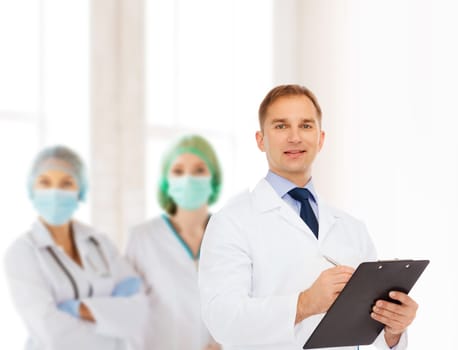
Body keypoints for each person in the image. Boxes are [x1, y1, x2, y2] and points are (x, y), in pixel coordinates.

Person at [198, 85, 418, 350]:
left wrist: (393, 330)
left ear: (321, 138)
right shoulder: (231, 222)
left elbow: (366, 336)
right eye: (280, 126)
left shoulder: (352, 228)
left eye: (305, 126)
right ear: (260, 139)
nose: (294, 137)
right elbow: (223, 321)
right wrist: (304, 304)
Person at [4, 145, 148, 350]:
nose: (55, 192)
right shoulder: (22, 252)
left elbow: (138, 312)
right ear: (32, 189)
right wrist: (112, 324)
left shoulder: (100, 243)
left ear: (80, 190)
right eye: (45, 183)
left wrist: (77, 309)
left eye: (66, 183)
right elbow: (52, 335)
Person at [126, 135, 222, 350]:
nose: (188, 179)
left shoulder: (232, 235)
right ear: (166, 181)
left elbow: (253, 311)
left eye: (199, 170)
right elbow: (128, 317)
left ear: (213, 178)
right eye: (178, 171)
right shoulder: (143, 239)